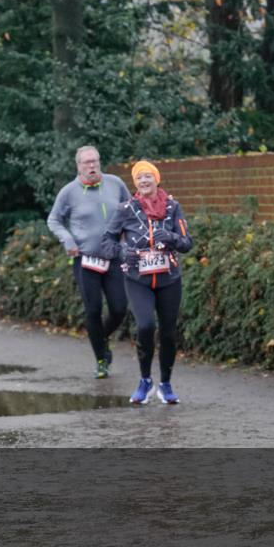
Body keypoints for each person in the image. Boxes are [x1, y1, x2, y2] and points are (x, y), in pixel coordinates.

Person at [101, 160, 192, 405]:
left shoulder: (173, 207)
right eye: (139, 178)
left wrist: (171, 237)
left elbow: (187, 243)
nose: (144, 181)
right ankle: (145, 381)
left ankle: (165, 384)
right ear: (135, 183)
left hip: (169, 279)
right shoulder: (125, 209)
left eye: (148, 177)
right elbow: (106, 242)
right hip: (137, 279)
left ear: (156, 179)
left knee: (169, 333)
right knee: (145, 326)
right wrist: (122, 252)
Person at [47, 145, 131, 379]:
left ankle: (100, 338)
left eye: (95, 161)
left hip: (113, 257)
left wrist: (130, 238)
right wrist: (67, 240)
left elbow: (130, 210)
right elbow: (54, 220)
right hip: (85, 260)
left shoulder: (115, 184)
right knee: (93, 309)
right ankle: (101, 360)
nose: (92, 166)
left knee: (119, 309)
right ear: (79, 166)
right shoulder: (69, 192)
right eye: (87, 163)